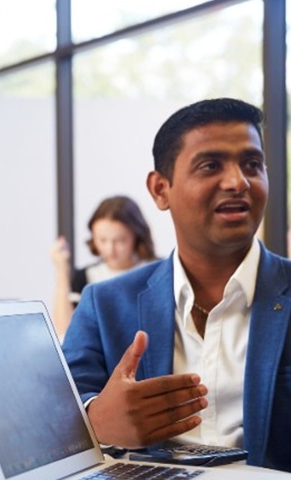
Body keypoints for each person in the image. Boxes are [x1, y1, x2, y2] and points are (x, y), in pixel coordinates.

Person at [62, 97, 291, 472]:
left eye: (252, 164)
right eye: (210, 165)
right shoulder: (104, 303)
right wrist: (96, 421)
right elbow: (56, 415)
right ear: (160, 190)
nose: (238, 182)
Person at [49, 195, 157, 337]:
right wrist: (62, 272)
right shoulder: (85, 277)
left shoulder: (158, 272)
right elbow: (66, 332)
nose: (110, 249)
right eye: (102, 240)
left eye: (120, 240)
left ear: (136, 236)